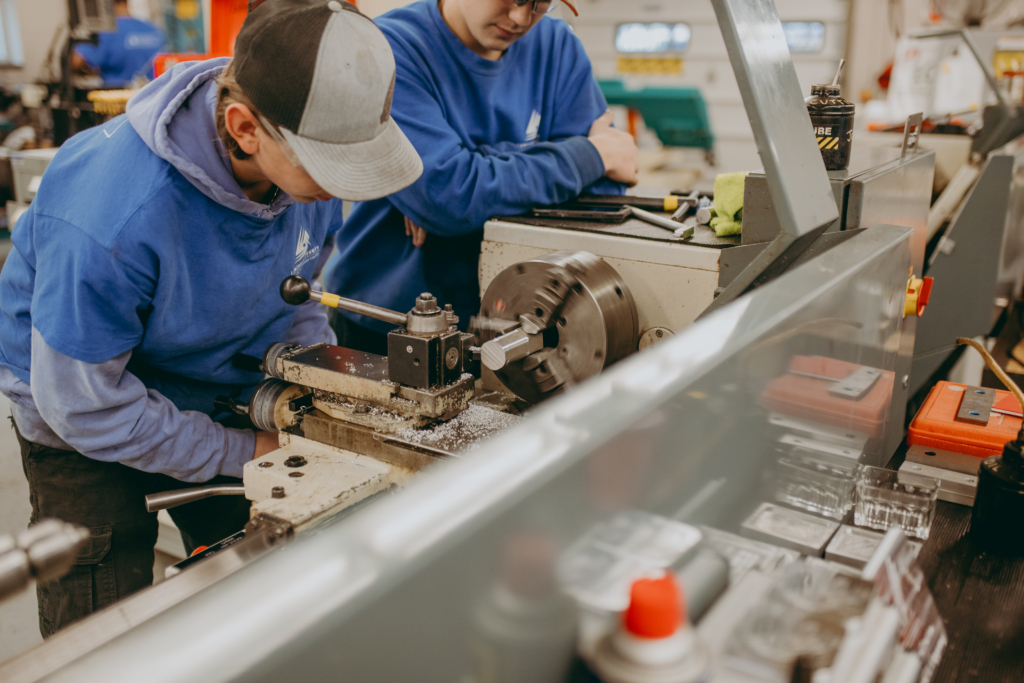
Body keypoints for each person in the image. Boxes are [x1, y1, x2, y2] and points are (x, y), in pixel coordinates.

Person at [0, 0, 421, 637]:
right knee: (100, 631)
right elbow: (84, 406)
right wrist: (245, 449)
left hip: (208, 382)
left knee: (252, 589)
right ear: (244, 128)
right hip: (80, 409)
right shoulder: (114, 216)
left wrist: (313, 395)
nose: (339, 189)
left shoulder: (305, 178)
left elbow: (296, 299)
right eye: (327, 168)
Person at [321, 0, 639, 355]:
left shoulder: (557, 46)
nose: (520, 18)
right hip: (388, 324)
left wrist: (470, 175)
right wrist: (587, 156)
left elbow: (604, 187)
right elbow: (450, 197)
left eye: (540, 4)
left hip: (523, 324)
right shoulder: (390, 48)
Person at [72, 0, 166, 87]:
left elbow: (76, 62)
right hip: (152, 98)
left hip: (118, 100)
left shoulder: (106, 31)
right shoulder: (153, 29)